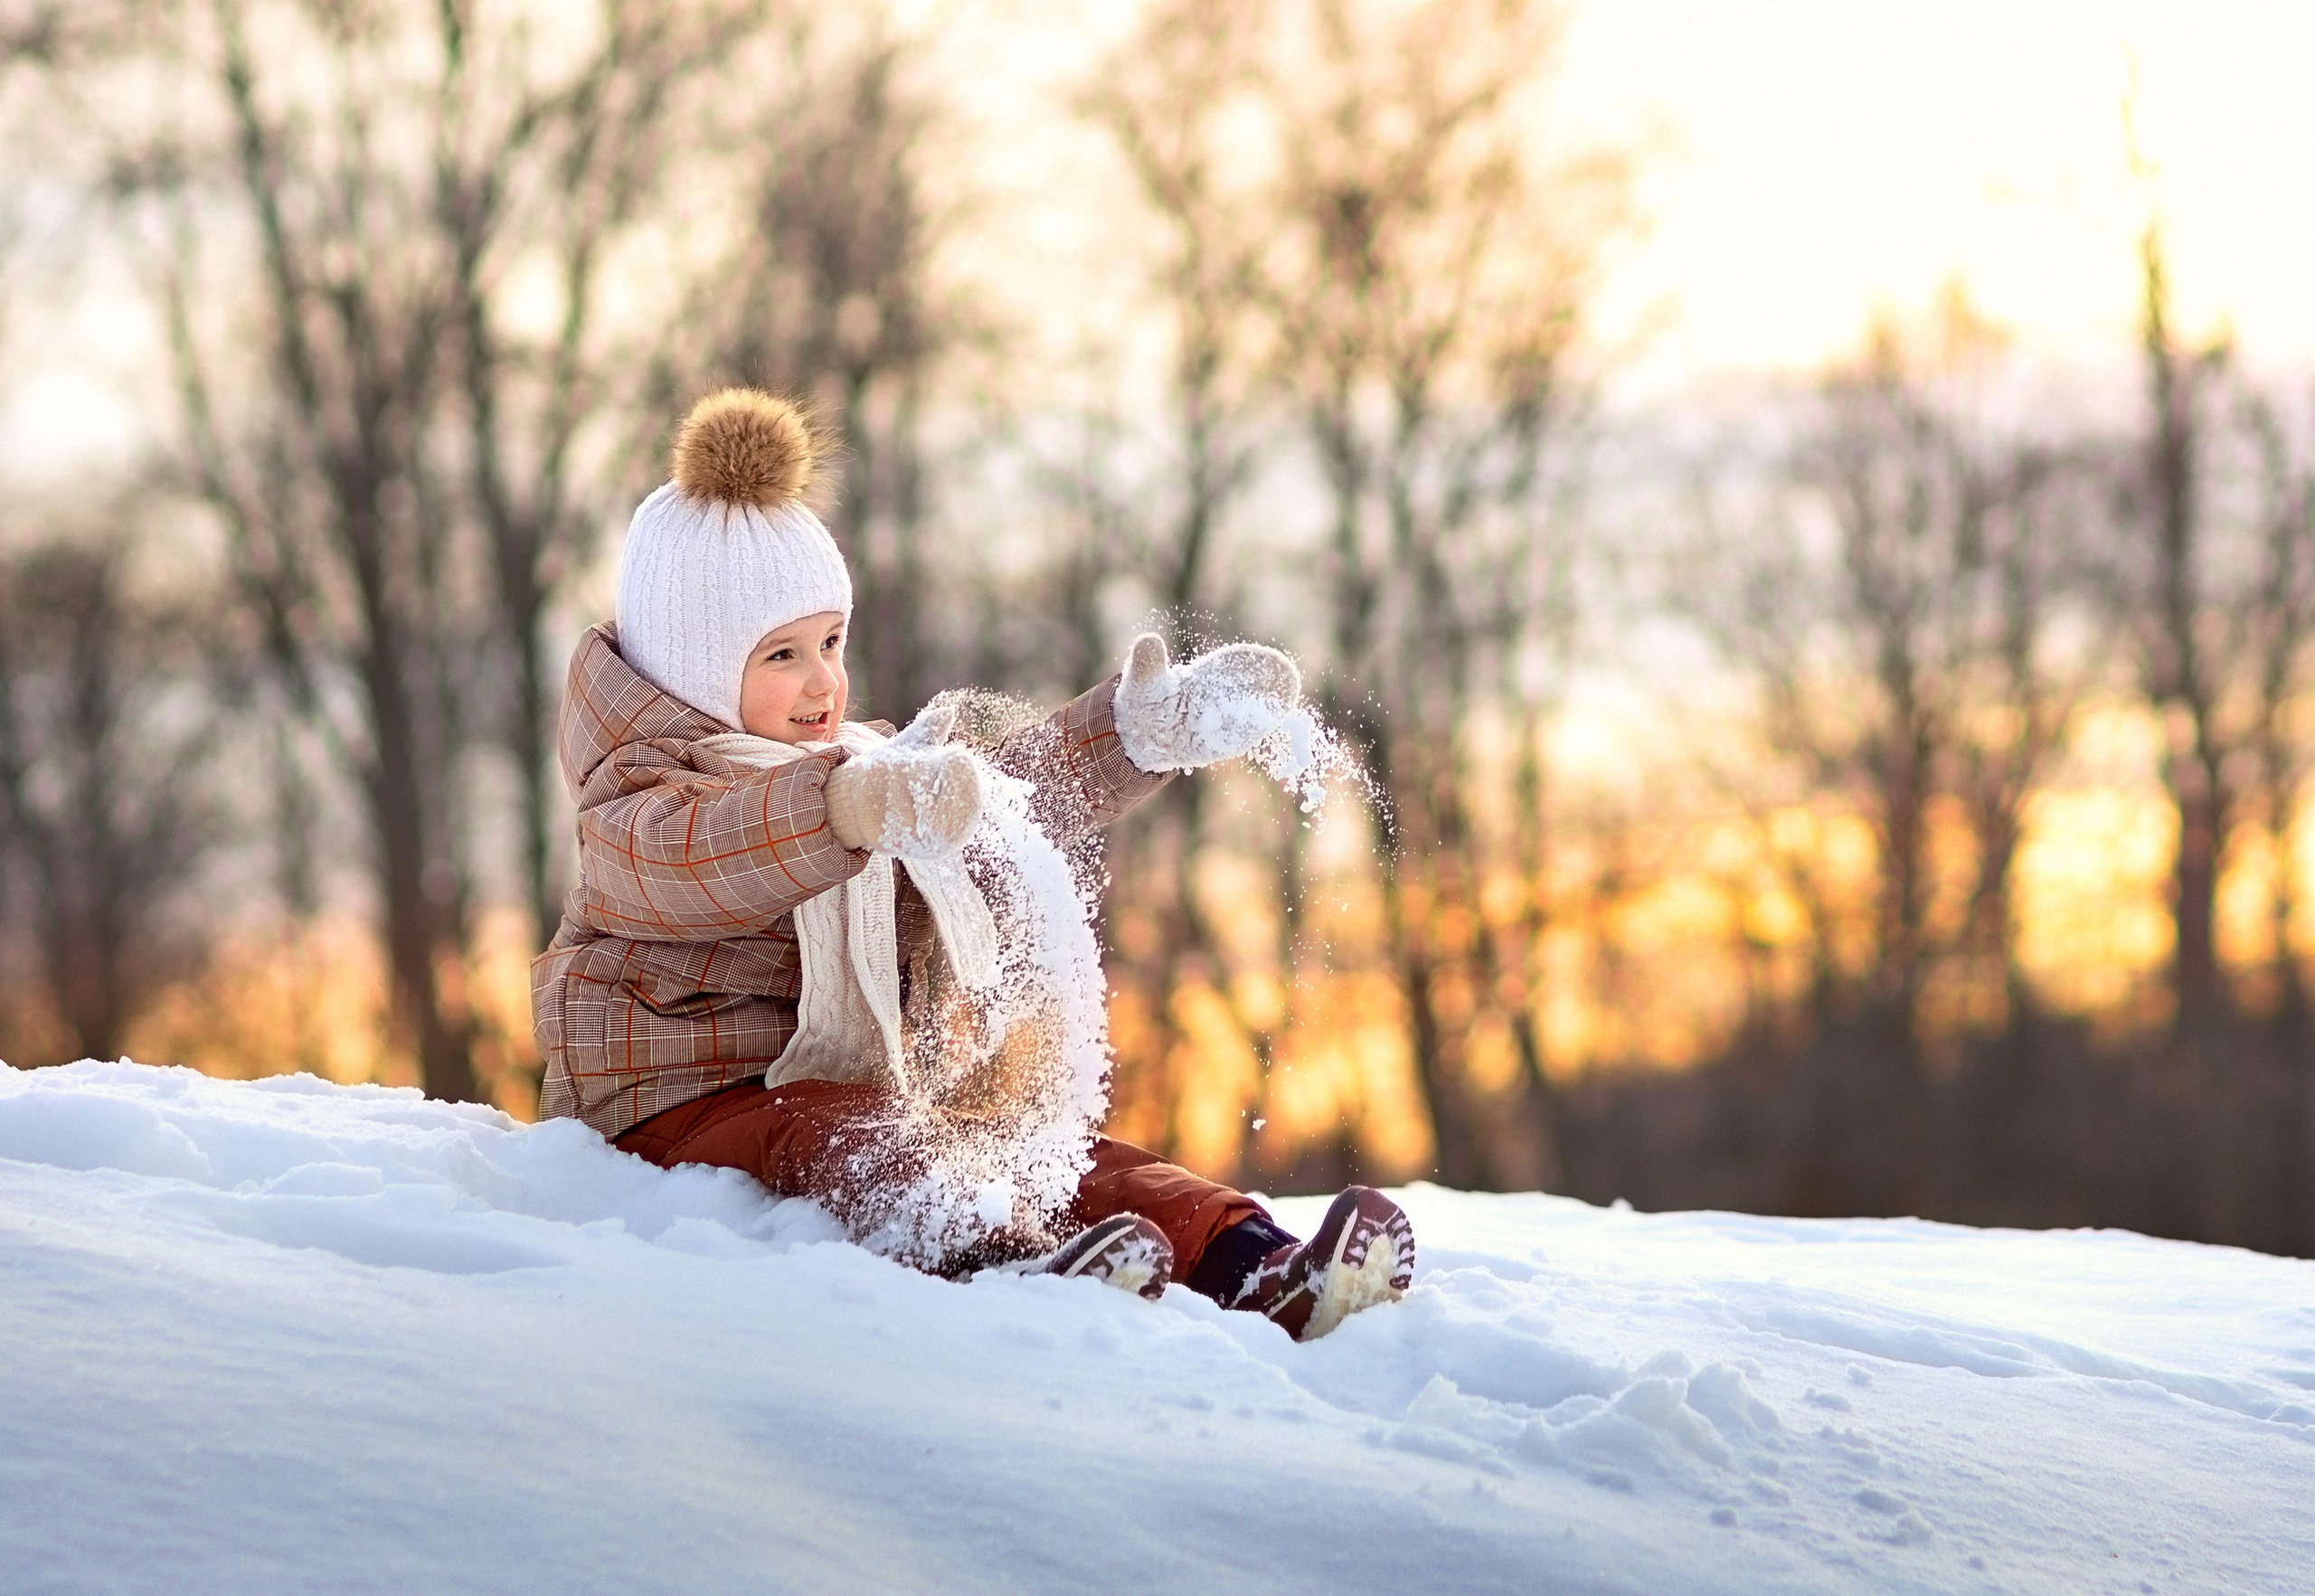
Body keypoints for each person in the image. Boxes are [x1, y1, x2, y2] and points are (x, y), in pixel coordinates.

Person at [532, 388, 1413, 1339]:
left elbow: (1001, 799)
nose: (823, 682)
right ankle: (1018, 1266)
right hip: (671, 1113)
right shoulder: (636, 799)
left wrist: (1135, 734)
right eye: (781, 655)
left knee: (1039, 1149)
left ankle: (1260, 1268)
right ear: (693, 670)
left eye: (831, 641)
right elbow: (700, 859)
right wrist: (847, 809)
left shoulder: (858, 770)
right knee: (866, 1142)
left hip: (840, 1095)